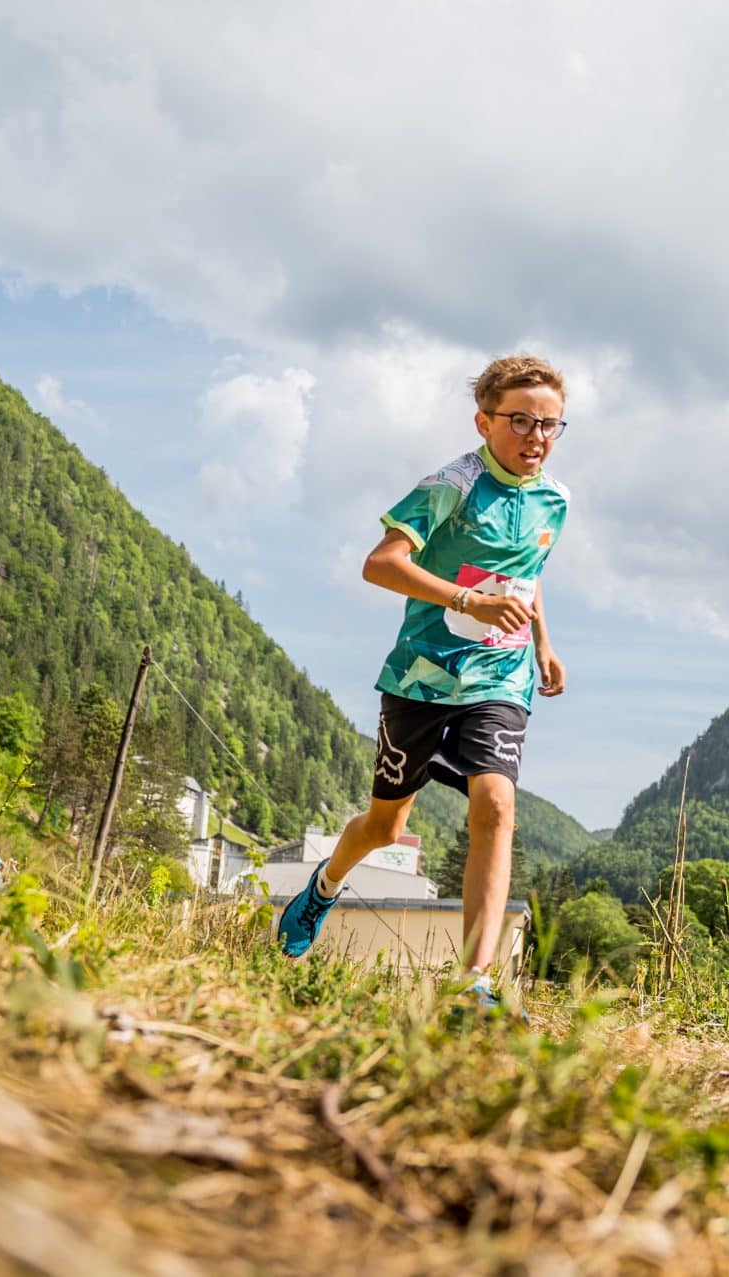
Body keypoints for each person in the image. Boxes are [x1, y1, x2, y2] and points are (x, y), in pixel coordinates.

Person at [276, 354, 571, 1014]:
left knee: (495, 805)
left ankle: (475, 978)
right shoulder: (451, 485)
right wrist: (469, 604)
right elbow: (381, 564)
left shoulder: (557, 497)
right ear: (484, 421)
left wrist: (544, 643)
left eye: (551, 424)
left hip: (501, 673)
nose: (537, 436)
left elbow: (528, 570)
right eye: (521, 420)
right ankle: (323, 888)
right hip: (421, 676)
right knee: (386, 825)